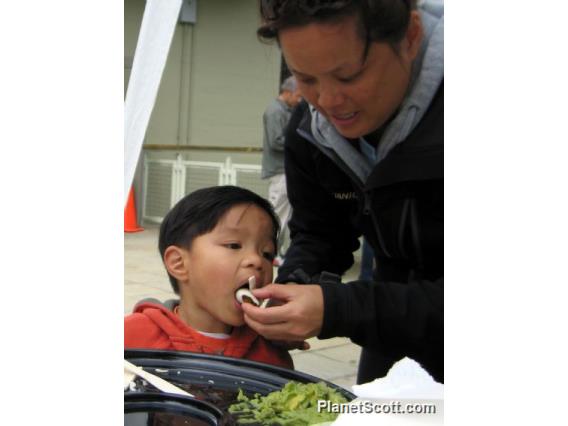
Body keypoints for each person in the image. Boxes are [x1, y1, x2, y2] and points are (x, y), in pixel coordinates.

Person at [242, 0, 444, 383]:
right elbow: (320, 232)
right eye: (307, 79)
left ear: (411, 37)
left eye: (349, 76)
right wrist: (296, 282)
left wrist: (338, 308)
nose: (329, 102)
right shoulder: (311, 130)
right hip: (391, 336)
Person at [124, 185, 293, 369]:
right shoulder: (131, 336)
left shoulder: (271, 355)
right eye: (234, 245)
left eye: (267, 254)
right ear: (179, 263)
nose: (257, 260)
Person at [261, 76, 302, 263]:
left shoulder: (285, 110)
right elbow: (276, 141)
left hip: (285, 170)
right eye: (298, 95)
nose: (300, 100)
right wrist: (300, 143)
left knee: (284, 215)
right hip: (280, 171)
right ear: (287, 92)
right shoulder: (275, 111)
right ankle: (270, 253)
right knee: (277, 215)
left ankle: (276, 252)